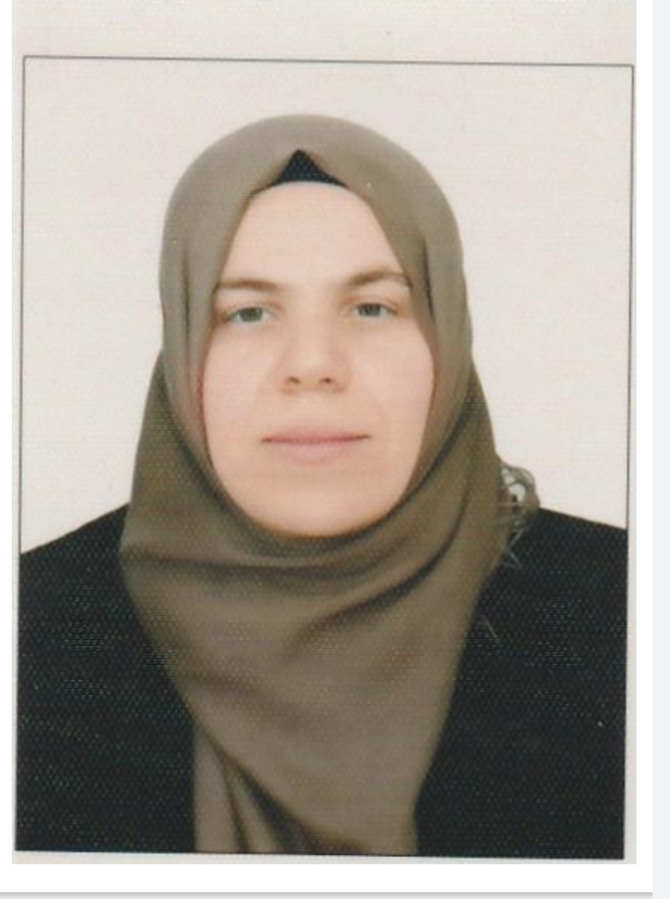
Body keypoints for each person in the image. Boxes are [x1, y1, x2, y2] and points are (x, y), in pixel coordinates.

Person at [16, 115, 627, 857]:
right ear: (183, 350)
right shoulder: (38, 628)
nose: (312, 364)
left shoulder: (619, 611)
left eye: (372, 307)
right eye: (248, 313)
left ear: (446, 334)